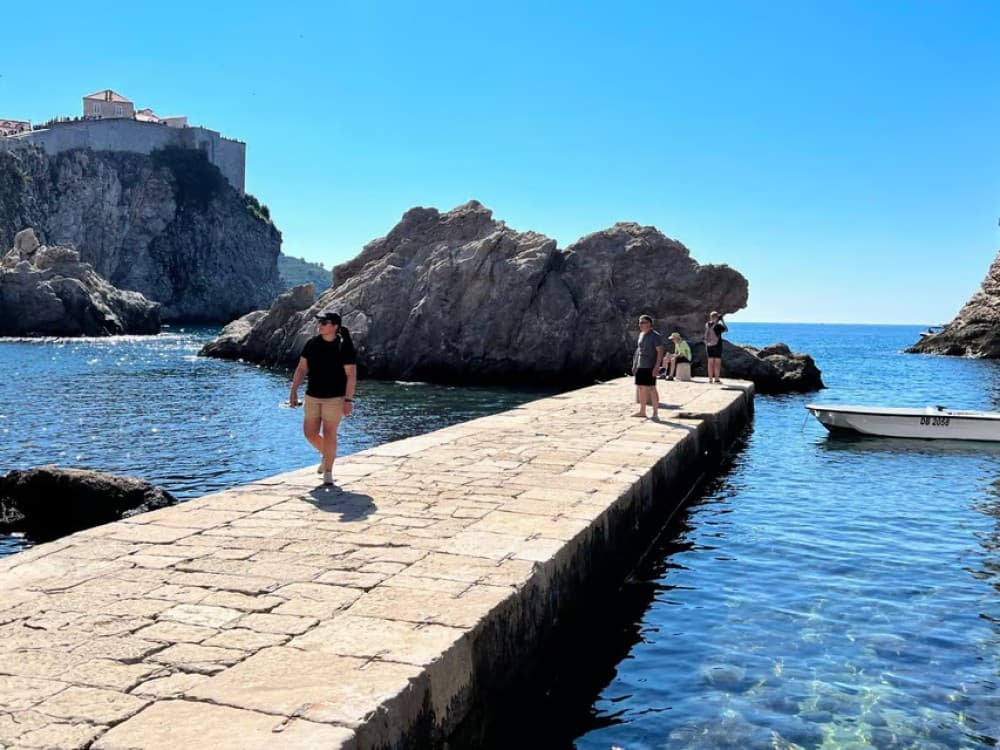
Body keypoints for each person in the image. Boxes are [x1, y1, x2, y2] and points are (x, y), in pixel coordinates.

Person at [289, 309, 357, 485]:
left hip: (335, 398)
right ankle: (327, 455)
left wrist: (348, 400)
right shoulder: (312, 344)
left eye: (324, 323)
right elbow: (301, 368)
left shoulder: (344, 346)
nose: (320, 325)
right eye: (319, 322)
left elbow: (351, 375)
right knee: (310, 433)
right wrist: (294, 390)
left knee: (329, 433)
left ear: (335, 326)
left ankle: (328, 472)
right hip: (312, 395)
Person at [631, 314, 664, 419]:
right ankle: (642, 411)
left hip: (650, 366)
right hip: (641, 365)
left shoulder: (655, 336)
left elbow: (660, 352)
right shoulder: (641, 335)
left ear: (649, 324)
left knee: (652, 388)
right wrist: (635, 364)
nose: (640, 325)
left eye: (643, 322)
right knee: (641, 388)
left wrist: (656, 367)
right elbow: (638, 351)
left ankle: (655, 413)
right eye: (639, 323)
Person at [703, 310, 728, 384]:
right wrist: (722, 321)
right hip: (718, 345)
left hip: (709, 345)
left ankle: (710, 379)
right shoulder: (719, 326)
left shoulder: (707, 324)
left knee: (710, 362)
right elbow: (726, 329)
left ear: (711, 317)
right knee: (717, 363)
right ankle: (716, 379)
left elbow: (705, 335)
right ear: (717, 317)